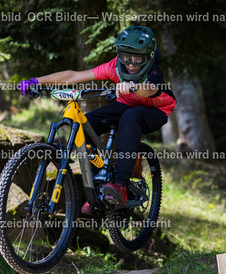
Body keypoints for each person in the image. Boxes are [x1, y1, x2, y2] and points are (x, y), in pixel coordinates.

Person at [17, 26, 176, 214]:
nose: (131, 64)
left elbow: (150, 90)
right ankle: (97, 186)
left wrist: (133, 87)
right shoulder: (114, 67)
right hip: (126, 105)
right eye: (126, 57)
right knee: (85, 125)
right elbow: (74, 76)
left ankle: (120, 185)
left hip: (155, 110)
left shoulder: (154, 74)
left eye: (137, 59)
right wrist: (36, 81)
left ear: (149, 57)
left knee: (131, 117)